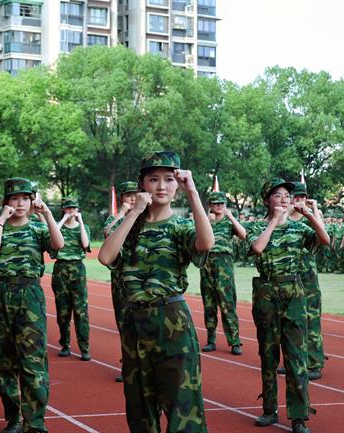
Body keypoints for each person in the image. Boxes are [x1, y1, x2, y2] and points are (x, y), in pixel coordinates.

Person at [98, 151, 214, 433]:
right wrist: (134, 211)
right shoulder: (128, 225)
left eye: (169, 179)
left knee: (182, 406)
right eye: (153, 179)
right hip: (135, 323)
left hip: (171, 322)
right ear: (142, 184)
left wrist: (193, 193)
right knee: (139, 408)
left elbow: (206, 243)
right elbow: (105, 256)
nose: (161, 186)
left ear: (178, 184)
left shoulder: (181, 226)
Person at [0, 177, 64, 433]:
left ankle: (35, 423)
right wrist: (1, 219)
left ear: (32, 201)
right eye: (14, 199)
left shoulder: (38, 229)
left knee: (32, 361)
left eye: (25, 199)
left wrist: (47, 214)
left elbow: (58, 245)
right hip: (1, 294)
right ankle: (14, 418)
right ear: (6, 202)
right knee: (2, 361)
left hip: (30, 295)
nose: (20, 203)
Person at [248, 179, 329, 433]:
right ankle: (269, 410)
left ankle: (299, 416)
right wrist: (274, 221)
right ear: (266, 200)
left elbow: (325, 239)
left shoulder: (299, 228)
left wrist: (310, 214)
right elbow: (257, 248)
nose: (284, 199)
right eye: (277, 195)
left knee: (296, 357)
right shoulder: (256, 227)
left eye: (286, 195)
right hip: (266, 294)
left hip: (293, 294)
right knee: (268, 355)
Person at [287, 182, 325, 380]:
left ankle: (315, 363)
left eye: (303, 197)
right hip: (289, 277)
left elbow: (323, 235)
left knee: (311, 320)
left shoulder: (310, 218)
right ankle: (295, 361)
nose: (299, 200)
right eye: (296, 196)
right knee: (291, 321)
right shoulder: (283, 218)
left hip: (308, 277)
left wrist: (314, 209)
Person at [200, 190, 245, 355]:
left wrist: (231, 217)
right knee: (209, 304)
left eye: (222, 203)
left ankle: (235, 342)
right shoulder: (206, 221)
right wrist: (206, 219)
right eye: (216, 204)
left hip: (224, 263)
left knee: (227, 303)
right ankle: (211, 340)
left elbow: (243, 235)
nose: (219, 206)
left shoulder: (228, 222)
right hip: (207, 262)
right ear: (210, 205)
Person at [103, 180, 139, 382]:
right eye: (128, 195)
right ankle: (129, 366)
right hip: (120, 280)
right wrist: (123, 213)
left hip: (140, 280)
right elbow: (108, 232)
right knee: (124, 324)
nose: (132, 199)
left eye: (135, 194)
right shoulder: (115, 219)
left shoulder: (145, 217)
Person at [52, 197, 91, 360]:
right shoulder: (58, 227)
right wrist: (62, 220)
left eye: (74, 208)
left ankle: (84, 348)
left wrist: (80, 222)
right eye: (68, 208)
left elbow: (85, 244)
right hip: (61, 269)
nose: (71, 211)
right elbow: (52, 237)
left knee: (81, 312)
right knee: (63, 311)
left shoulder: (84, 227)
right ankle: (65, 345)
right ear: (63, 209)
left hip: (77, 269)